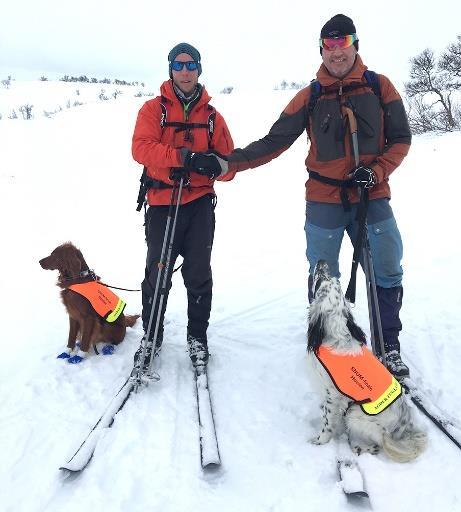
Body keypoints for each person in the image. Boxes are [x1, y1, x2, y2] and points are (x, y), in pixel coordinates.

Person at [186, 15, 412, 378]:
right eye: (329, 45)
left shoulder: (380, 86)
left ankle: (390, 347)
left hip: (372, 194)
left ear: (355, 44)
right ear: (321, 49)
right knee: (324, 276)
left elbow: (401, 138)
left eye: (343, 43)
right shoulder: (309, 96)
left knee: (386, 268)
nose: (336, 52)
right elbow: (275, 142)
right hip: (323, 197)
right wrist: (227, 163)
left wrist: (378, 170)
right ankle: (329, 346)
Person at [132, 42, 235, 370]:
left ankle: (197, 338)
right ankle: (152, 337)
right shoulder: (153, 110)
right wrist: (184, 157)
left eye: (191, 65)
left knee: (198, 273)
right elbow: (142, 148)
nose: (185, 71)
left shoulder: (212, 117)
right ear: (171, 69)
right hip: (162, 203)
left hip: (199, 205)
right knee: (157, 275)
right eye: (179, 65)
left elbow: (230, 164)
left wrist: (214, 165)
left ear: (199, 69)